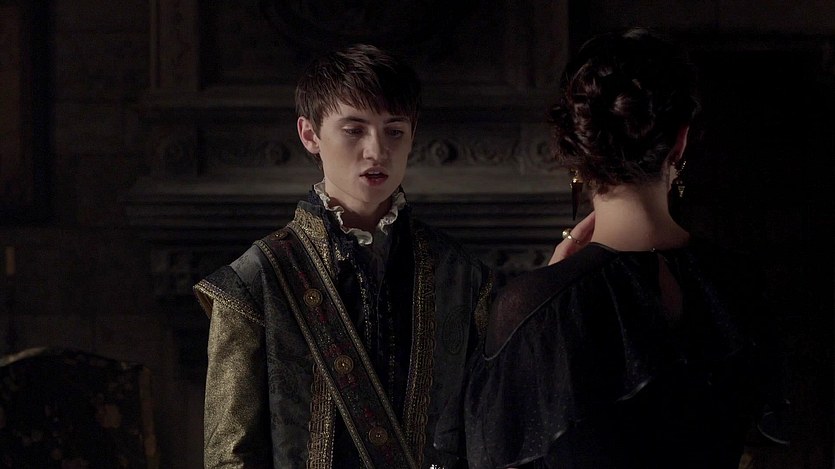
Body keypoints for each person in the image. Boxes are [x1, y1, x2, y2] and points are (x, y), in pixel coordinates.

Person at [460, 28, 786, 468]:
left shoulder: (531, 306)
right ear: (680, 142)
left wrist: (545, 296)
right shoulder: (741, 282)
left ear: (576, 150)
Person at [193, 44, 492, 468]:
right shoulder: (255, 281)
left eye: (394, 131)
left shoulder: (461, 275)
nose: (377, 151)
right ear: (310, 135)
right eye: (354, 130)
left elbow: (488, 431)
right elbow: (230, 458)